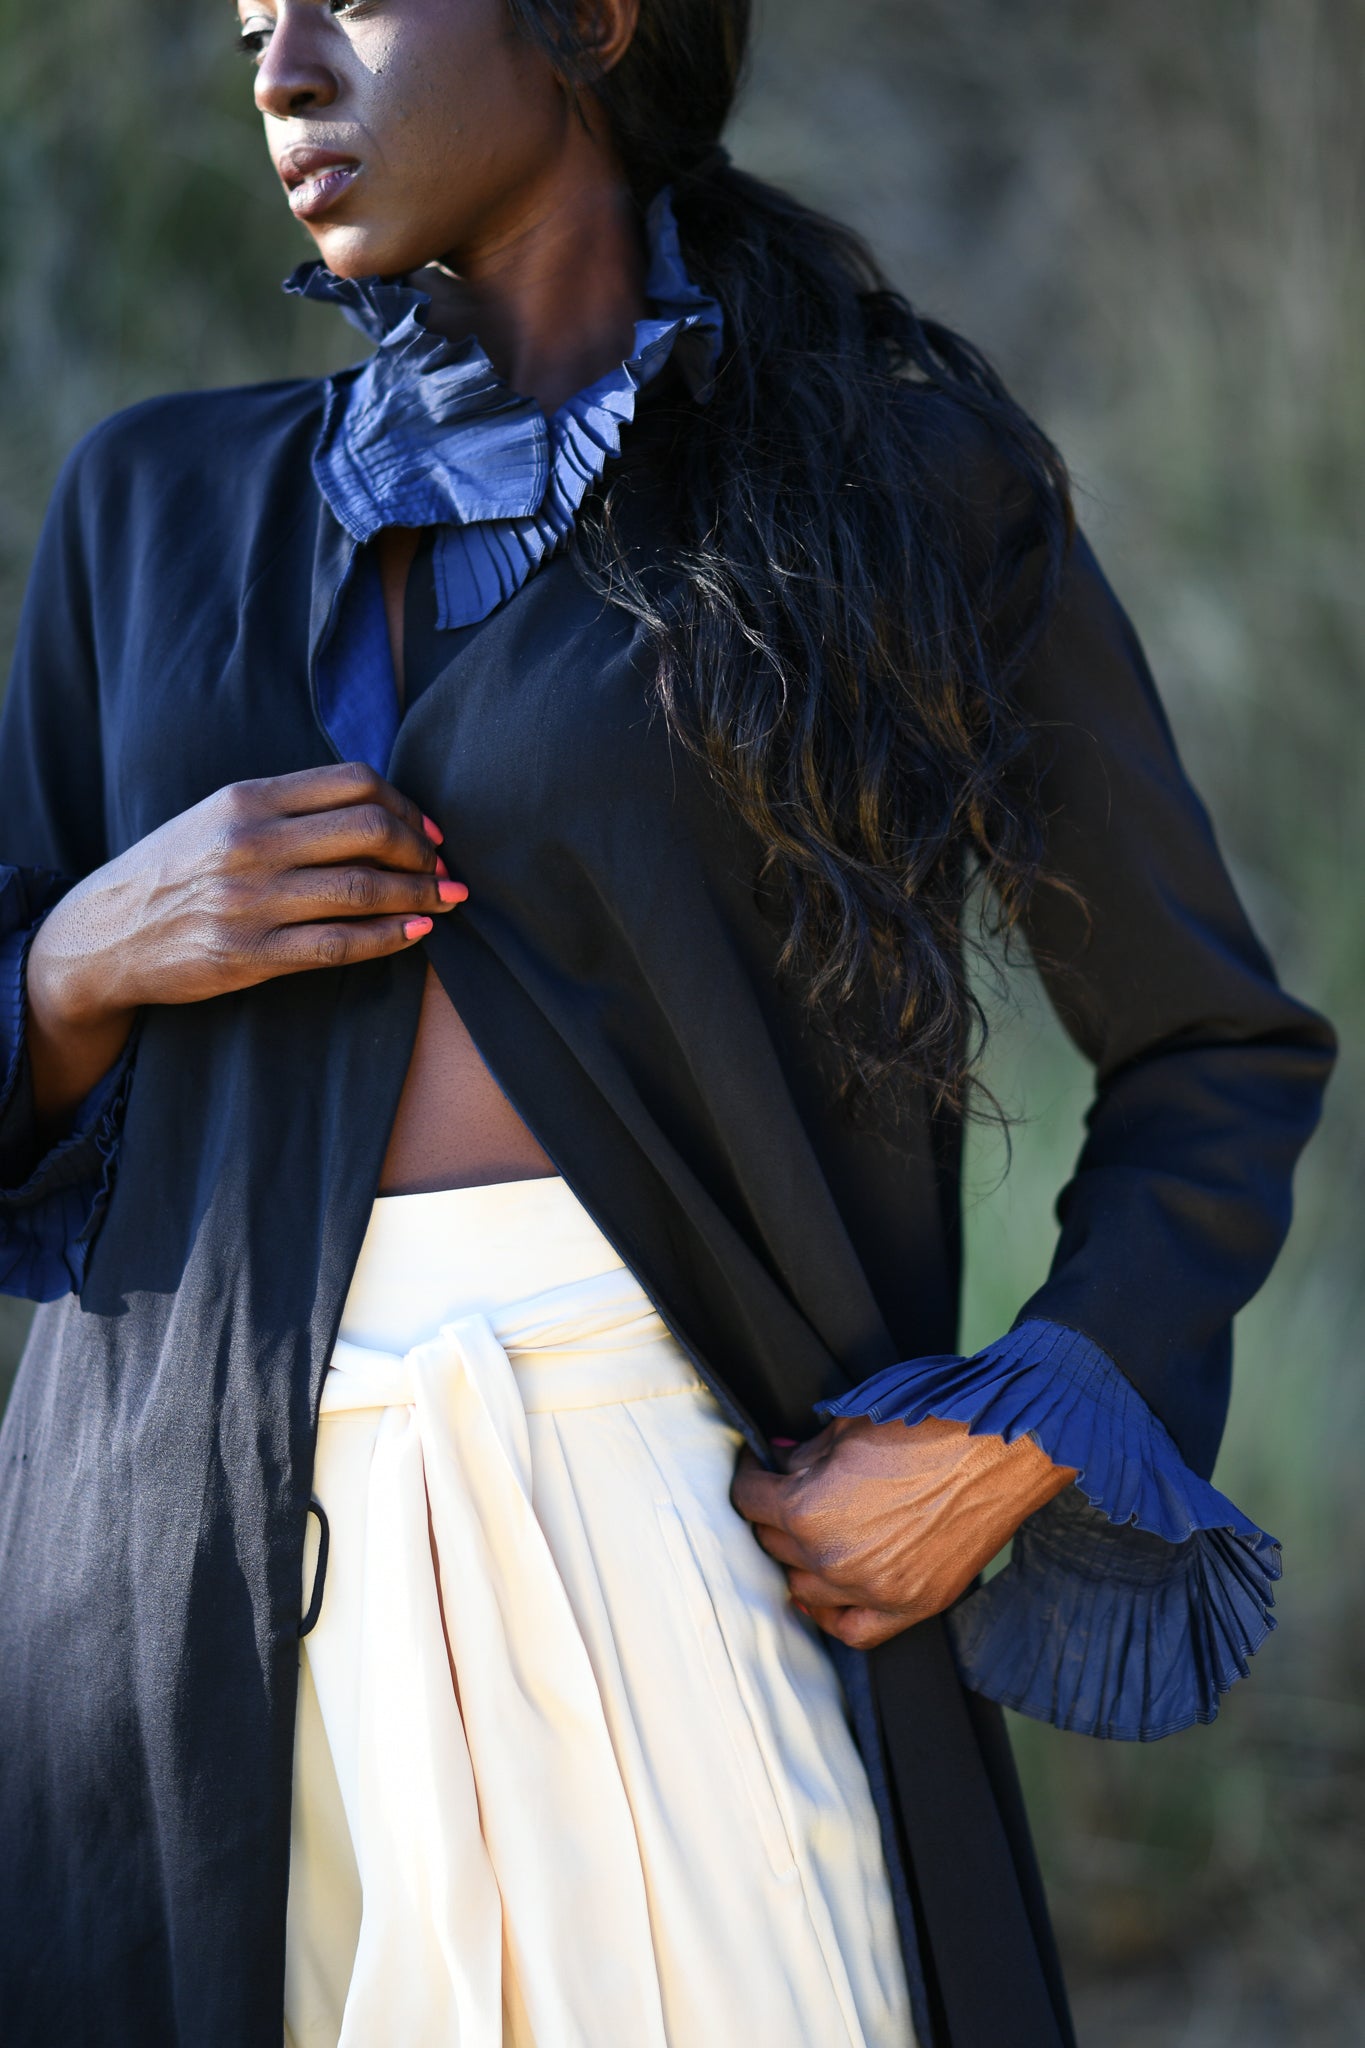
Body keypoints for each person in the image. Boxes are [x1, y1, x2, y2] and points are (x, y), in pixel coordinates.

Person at [0, 1, 1335, 2043]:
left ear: (592, 18)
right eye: (252, 18)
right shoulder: (147, 507)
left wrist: (1024, 1426)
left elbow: (1208, 1055)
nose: (278, 71)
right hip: (182, 1611)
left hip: (692, 1543)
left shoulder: (898, 484)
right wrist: (77, 959)